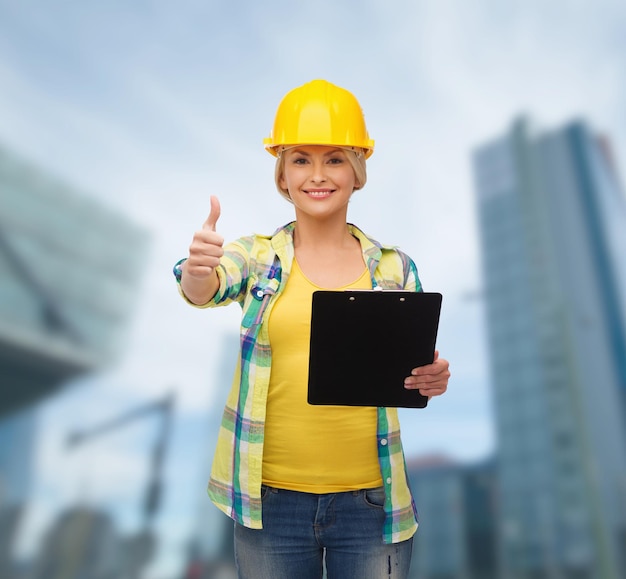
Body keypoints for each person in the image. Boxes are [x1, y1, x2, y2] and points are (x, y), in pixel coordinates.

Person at [173, 79, 450, 579]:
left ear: (357, 170)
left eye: (334, 159)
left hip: (372, 504)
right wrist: (197, 271)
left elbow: (416, 366)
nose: (317, 175)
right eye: (301, 159)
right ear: (282, 172)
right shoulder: (256, 256)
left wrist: (433, 377)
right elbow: (206, 287)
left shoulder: (395, 269)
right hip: (270, 504)